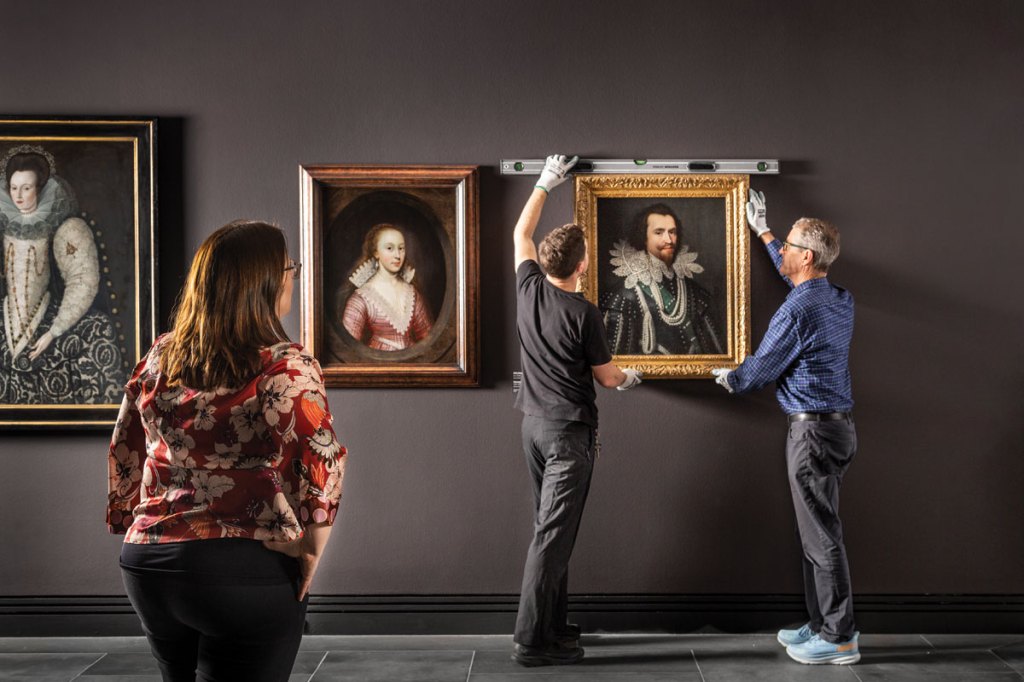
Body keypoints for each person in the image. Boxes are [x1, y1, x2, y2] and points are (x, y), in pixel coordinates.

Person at [106, 220, 347, 682]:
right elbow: (320, 457)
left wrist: (126, 516)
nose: (292, 276)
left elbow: (125, 445)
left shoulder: (161, 354)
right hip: (241, 568)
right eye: (288, 268)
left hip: (148, 564)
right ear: (265, 283)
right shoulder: (287, 366)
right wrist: (311, 545)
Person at [711, 190, 859, 665]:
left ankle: (839, 637)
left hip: (812, 433)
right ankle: (821, 625)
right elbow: (795, 273)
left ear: (808, 256)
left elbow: (760, 370)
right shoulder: (837, 297)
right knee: (818, 531)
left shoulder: (799, 309)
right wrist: (766, 231)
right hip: (834, 430)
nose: (786, 252)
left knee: (821, 536)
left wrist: (730, 376)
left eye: (791, 246)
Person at [511, 154, 641, 667]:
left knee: (552, 532)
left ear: (547, 262)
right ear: (582, 266)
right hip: (568, 436)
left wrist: (545, 179)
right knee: (551, 537)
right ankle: (530, 641)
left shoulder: (527, 288)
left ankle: (553, 627)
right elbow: (608, 378)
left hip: (534, 430)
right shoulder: (584, 313)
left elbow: (523, 229)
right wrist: (633, 377)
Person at [0, 146, 123, 403]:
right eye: (14, 188)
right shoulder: (4, 223)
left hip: (50, 316)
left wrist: (54, 331)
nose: (19, 195)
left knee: (97, 330)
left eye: (26, 188)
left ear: (40, 188)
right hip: (8, 317)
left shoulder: (65, 229)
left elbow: (83, 280)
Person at [601, 203, 723, 355]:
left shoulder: (695, 294)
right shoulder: (624, 296)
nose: (669, 240)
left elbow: (716, 355)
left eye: (672, 232)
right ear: (643, 237)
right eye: (659, 232)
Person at [341, 223, 433, 351]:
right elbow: (348, 347)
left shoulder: (412, 292)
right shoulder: (361, 298)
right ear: (376, 252)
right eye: (390, 248)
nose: (398, 255)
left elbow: (428, 339)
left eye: (401, 248)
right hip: (378, 364)